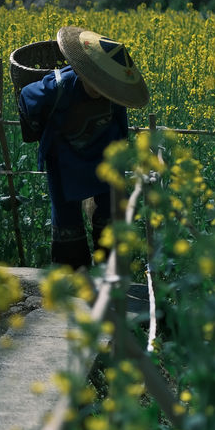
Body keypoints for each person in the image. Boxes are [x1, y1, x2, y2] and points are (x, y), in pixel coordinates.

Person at [18, 25, 149, 269]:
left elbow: (120, 124)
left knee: (110, 207)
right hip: (64, 155)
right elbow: (27, 97)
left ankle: (109, 266)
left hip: (102, 153)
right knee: (66, 214)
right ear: (85, 73)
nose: (102, 90)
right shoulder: (58, 86)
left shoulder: (113, 92)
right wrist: (38, 127)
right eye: (97, 84)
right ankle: (73, 270)